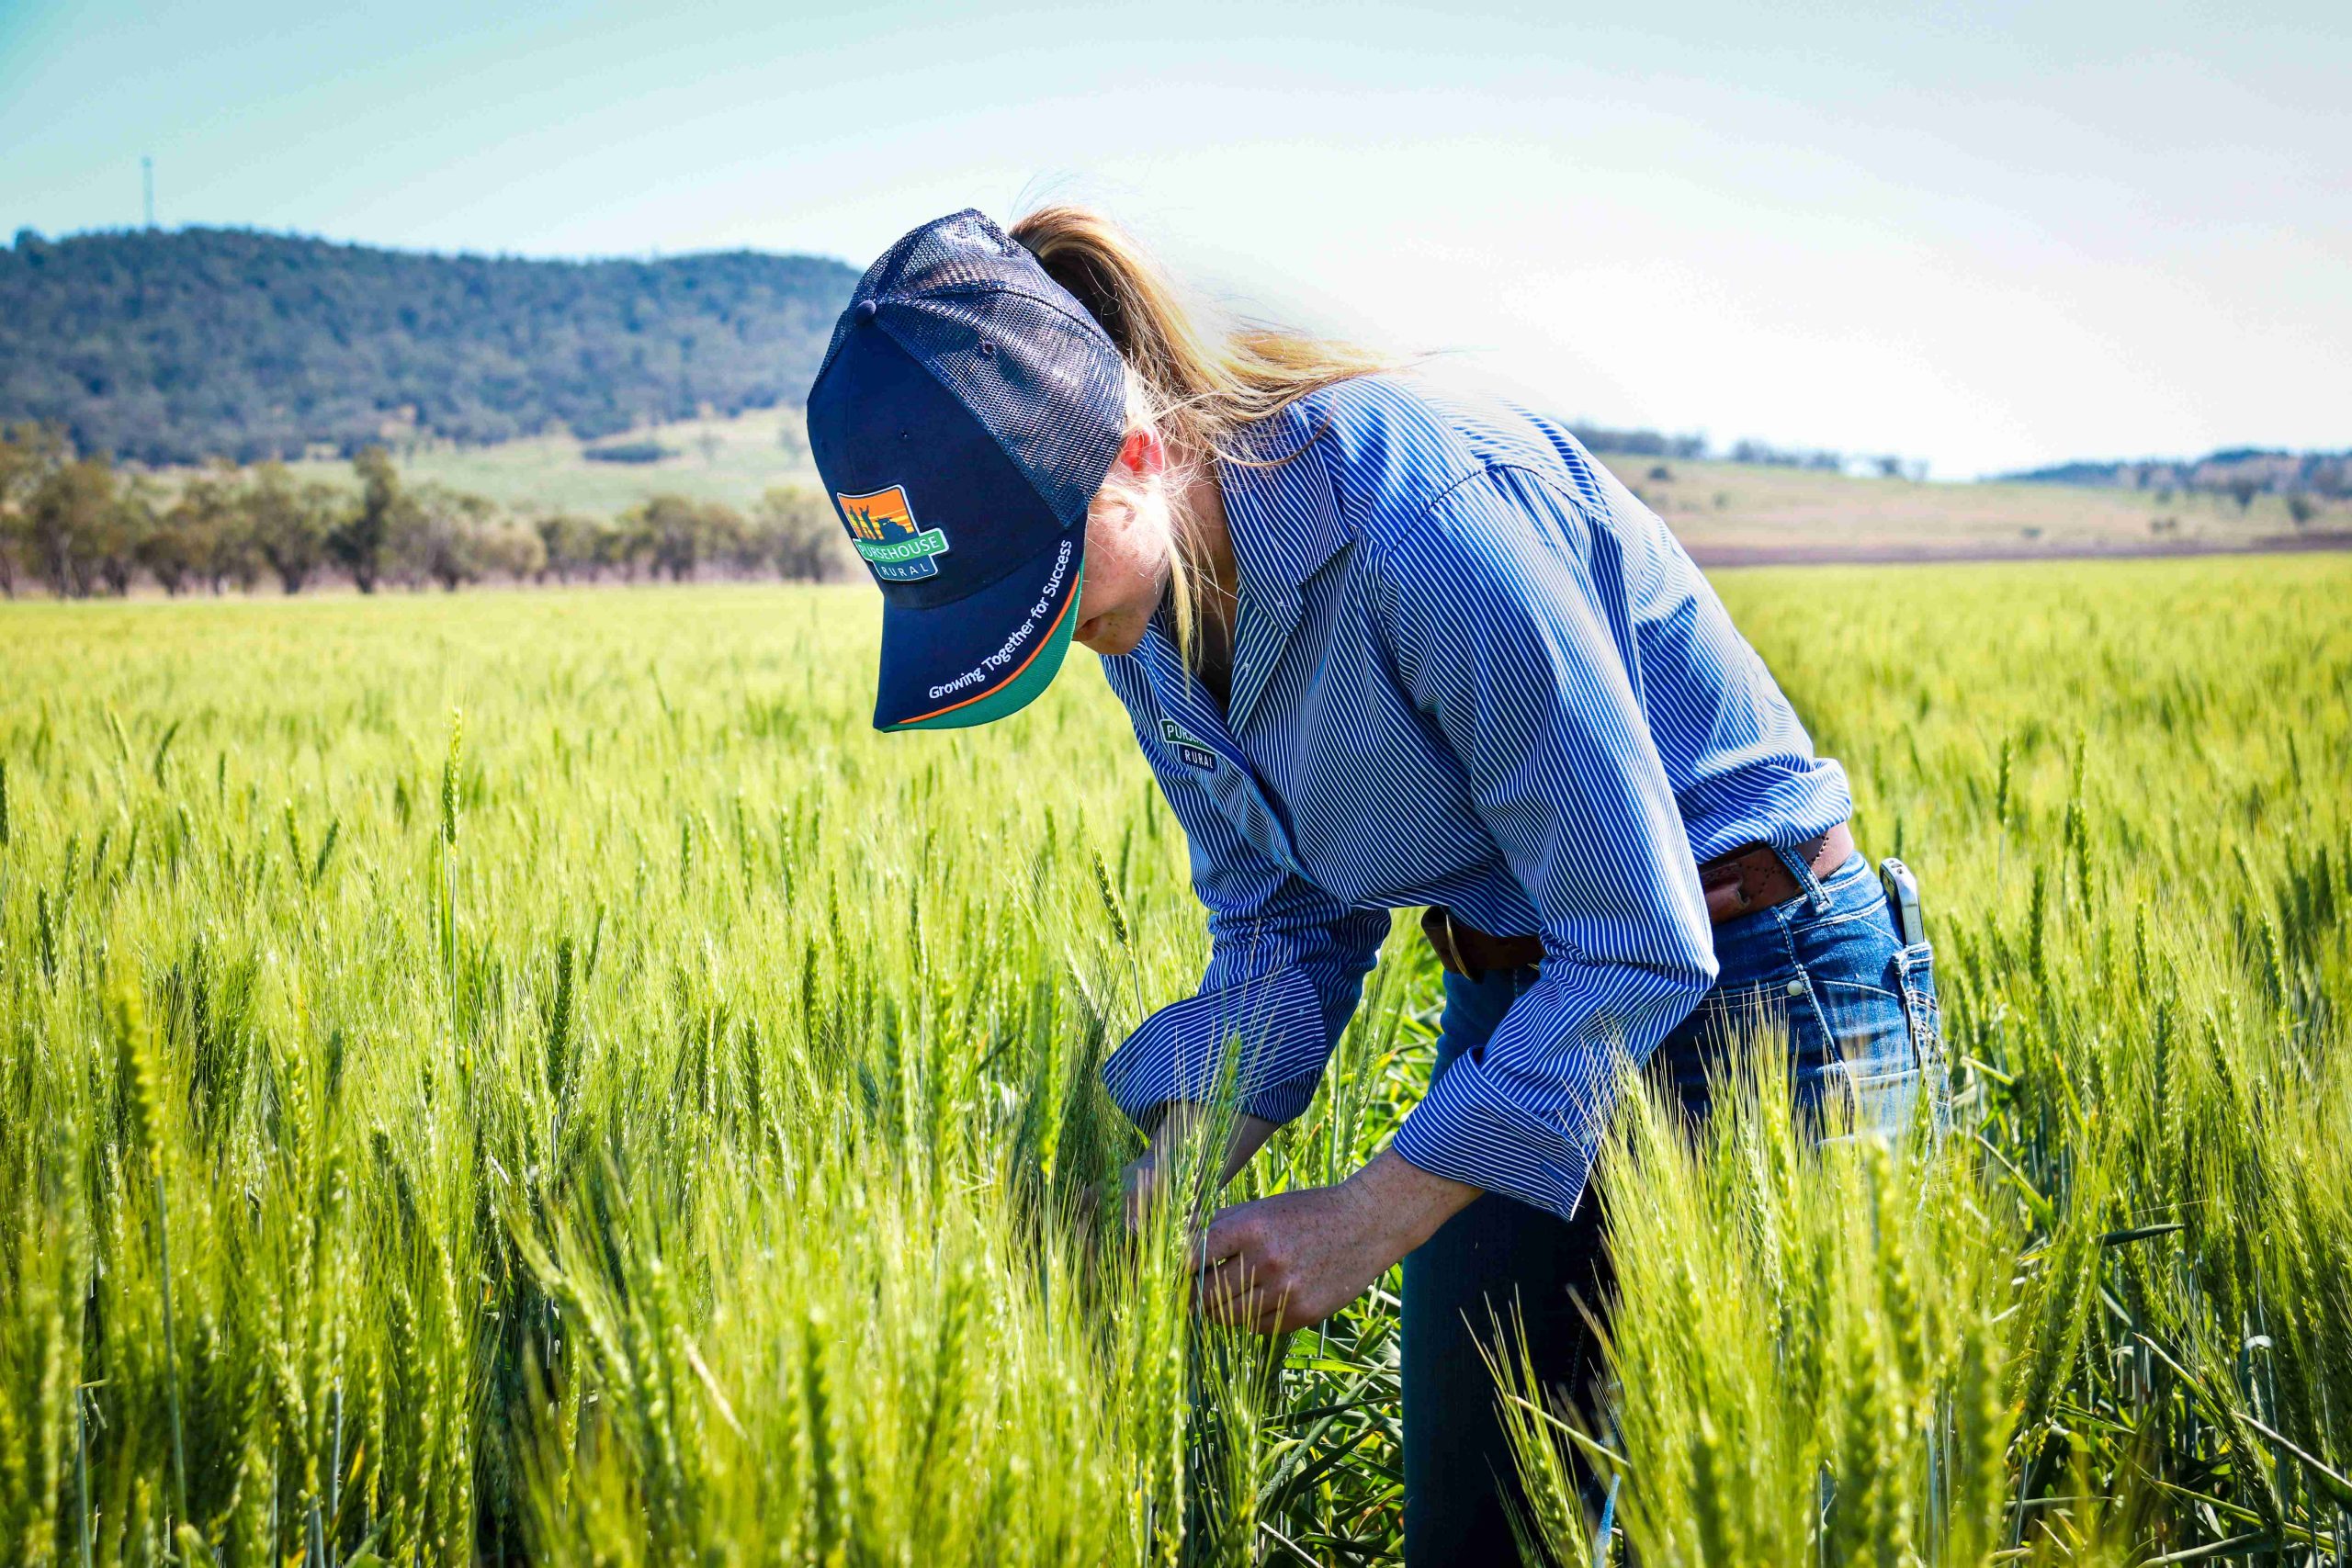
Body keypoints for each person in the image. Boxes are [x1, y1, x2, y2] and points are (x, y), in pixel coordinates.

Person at [804, 206, 1950, 1562]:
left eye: (1037, 578)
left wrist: (1367, 1213)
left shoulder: (1425, 520)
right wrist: (1169, 1178)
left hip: (1762, 987)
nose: (1050, 633)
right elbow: (1286, 926)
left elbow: (1641, 934)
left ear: (1135, 453)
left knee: (1793, 1532)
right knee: (1480, 1536)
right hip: (1522, 999)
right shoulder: (1143, 610)